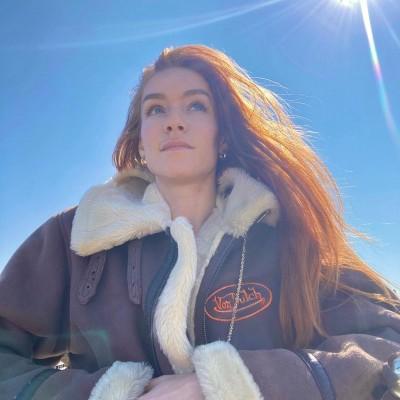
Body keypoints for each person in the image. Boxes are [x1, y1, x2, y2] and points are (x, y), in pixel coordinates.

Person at [0, 44, 399, 400]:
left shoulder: (286, 236)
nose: (174, 121)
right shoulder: (76, 237)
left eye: (195, 106)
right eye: (156, 109)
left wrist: (234, 384)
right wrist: (107, 394)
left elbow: (388, 345)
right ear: (140, 140)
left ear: (222, 136)